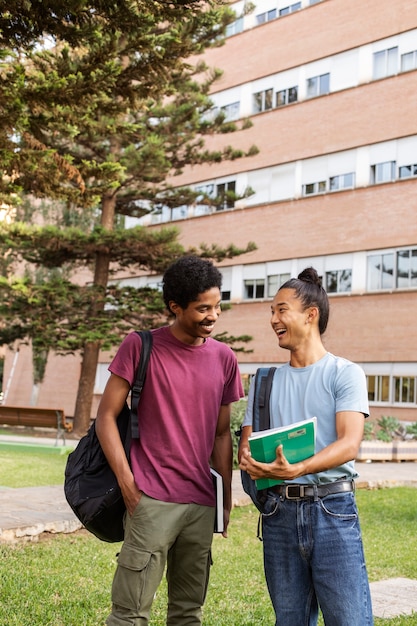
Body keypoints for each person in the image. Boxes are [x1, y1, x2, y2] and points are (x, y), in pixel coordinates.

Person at [96, 255, 243, 626]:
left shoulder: (225, 358)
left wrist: (224, 499)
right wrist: (129, 485)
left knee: (188, 614)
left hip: (201, 503)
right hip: (151, 499)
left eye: (218, 306)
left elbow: (221, 434)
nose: (213, 316)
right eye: (203, 308)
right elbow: (105, 418)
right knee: (129, 615)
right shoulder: (140, 345)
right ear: (175, 307)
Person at [239, 267, 373, 626]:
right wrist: (251, 461)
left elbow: (349, 444)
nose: (273, 319)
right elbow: (247, 448)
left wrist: (299, 468)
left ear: (310, 315)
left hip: (333, 510)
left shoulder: (344, 373)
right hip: (278, 515)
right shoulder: (264, 381)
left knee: (349, 619)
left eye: (281, 309)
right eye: (271, 311)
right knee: (289, 620)